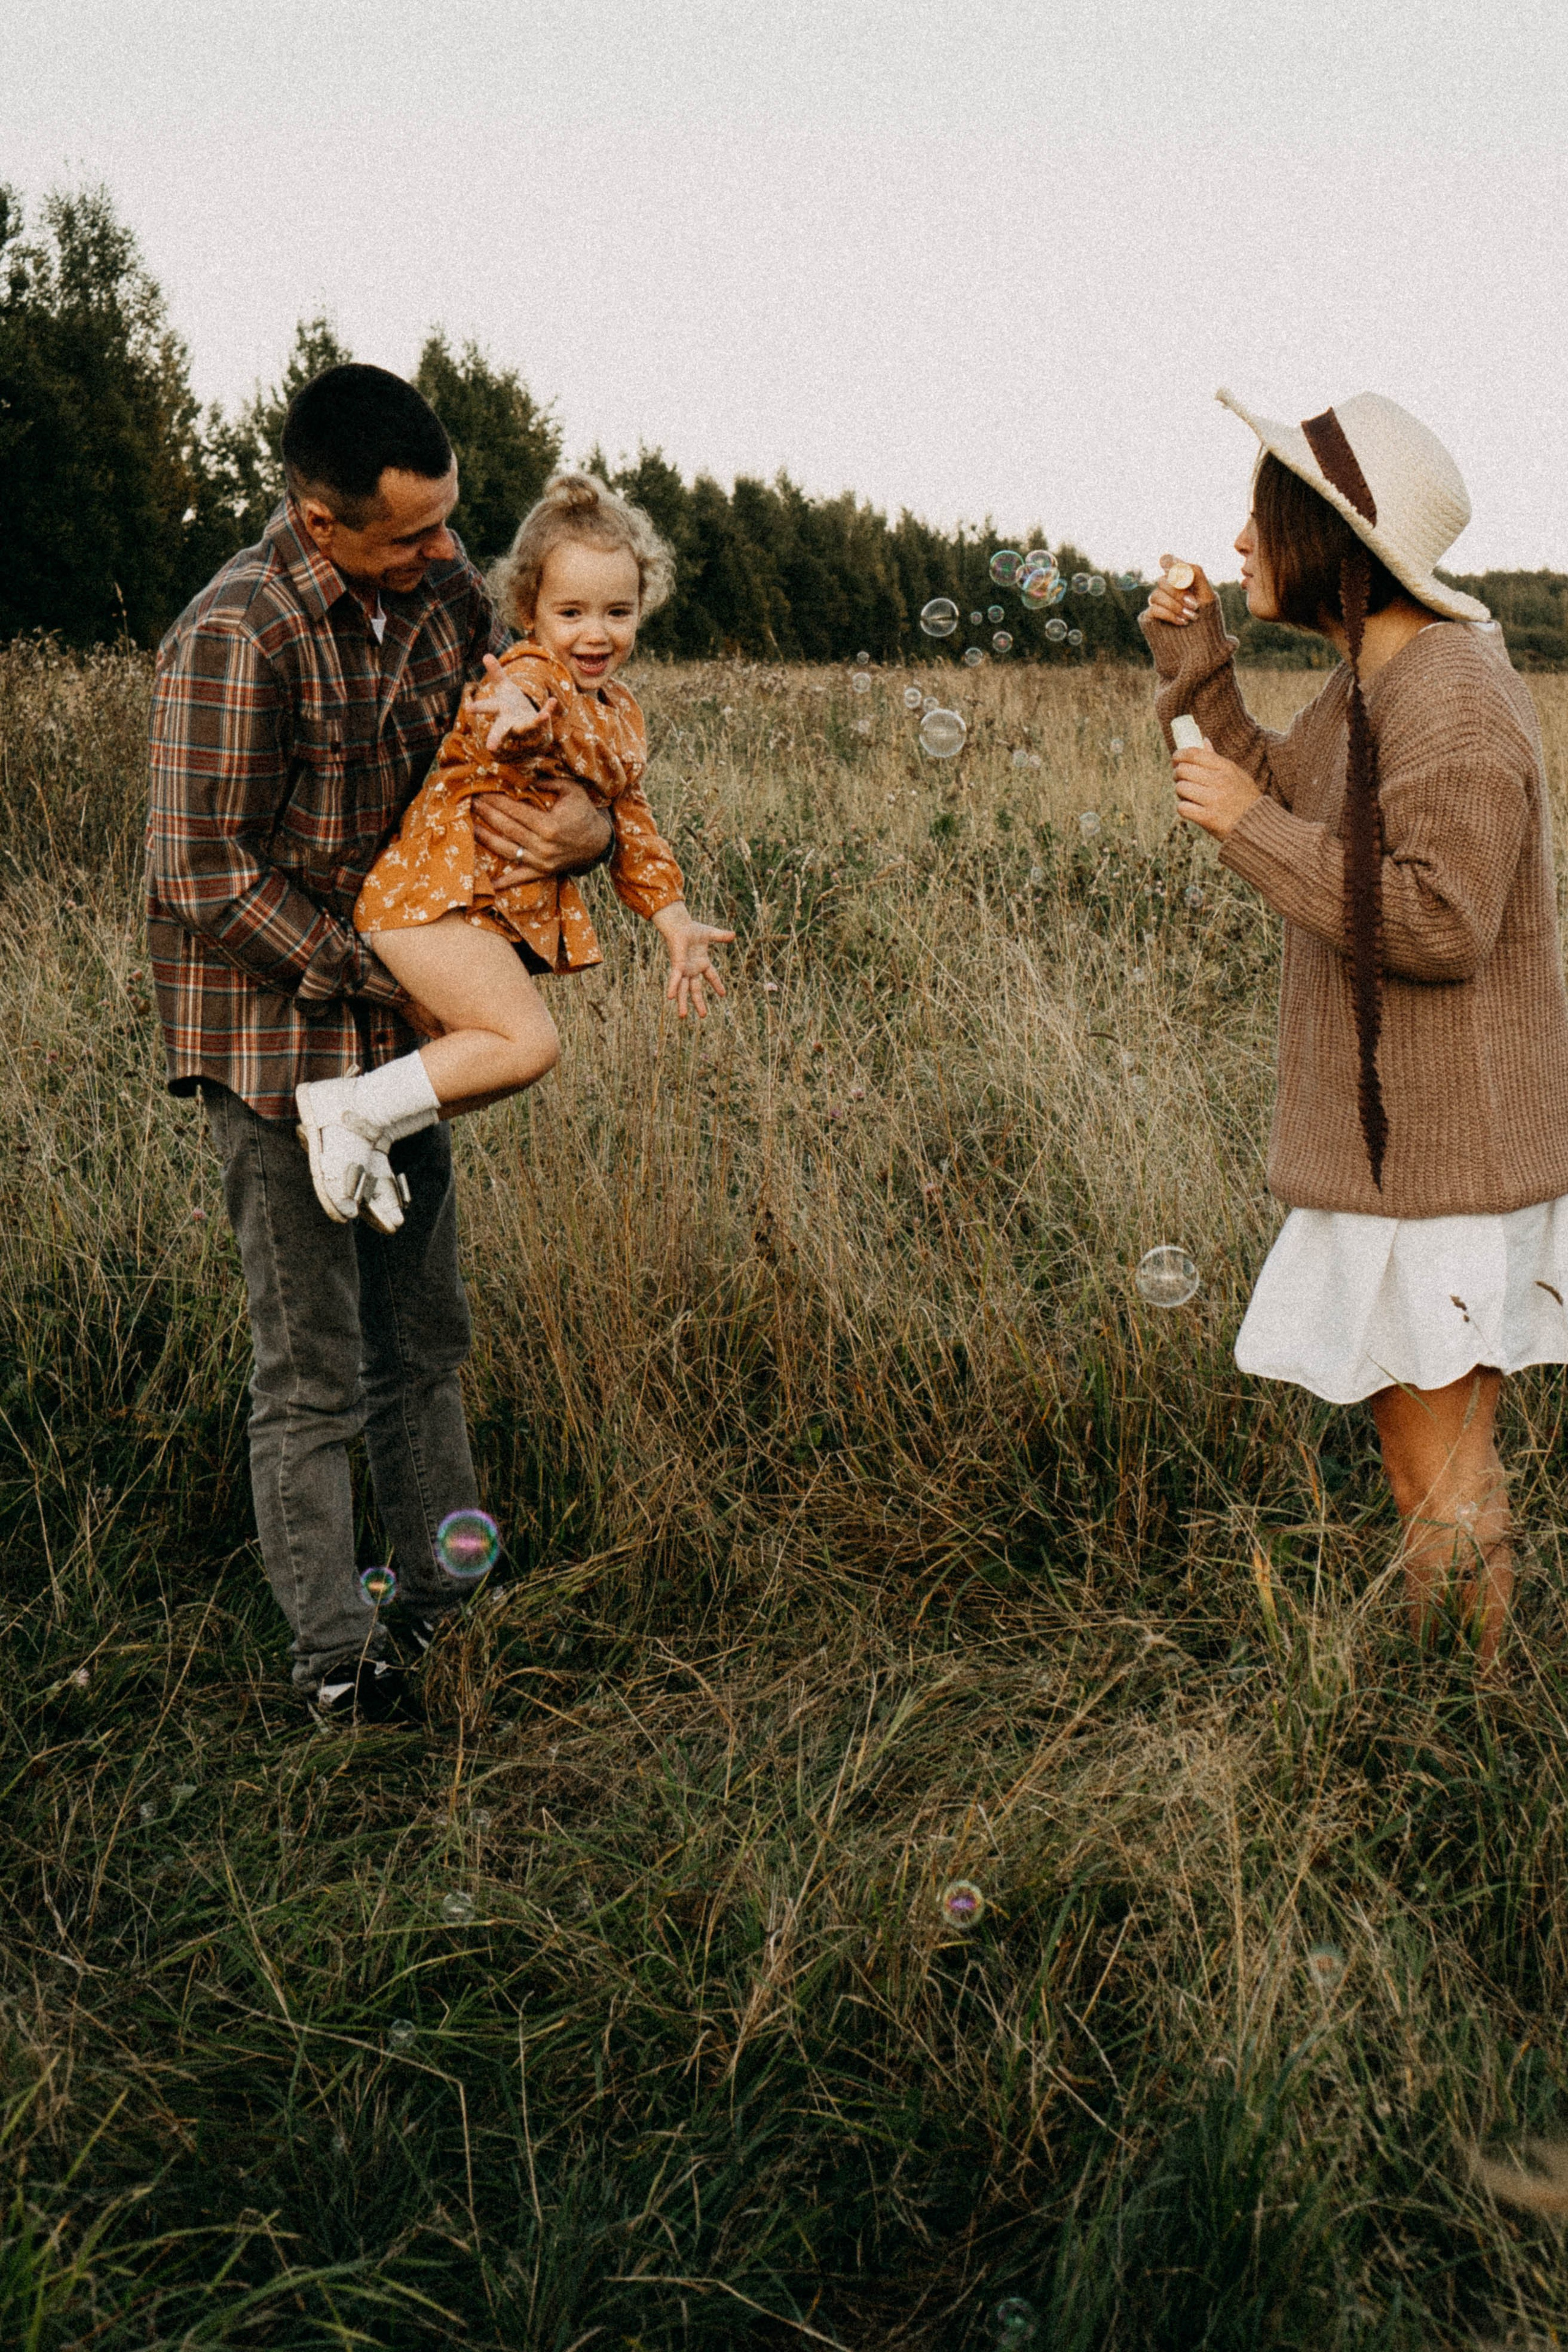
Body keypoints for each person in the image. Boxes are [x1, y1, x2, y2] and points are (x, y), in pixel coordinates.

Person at [147, 363, 616, 1725]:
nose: (445, 553)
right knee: (311, 1362)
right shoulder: (237, 632)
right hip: (275, 1044)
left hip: (406, 1038)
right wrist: (381, 975)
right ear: (317, 512)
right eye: (409, 534)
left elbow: (542, 744)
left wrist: (583, 826)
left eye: (450, 521)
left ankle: (441, 1596)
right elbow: (199, 869)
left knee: (423, 1330)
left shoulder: (455, 596)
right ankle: (337, 1660)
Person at [1147, 389, 1568, 1667]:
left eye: (1257, 519)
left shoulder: (1450, 700)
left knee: (1432, 1477)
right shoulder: (1373, 682)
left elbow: (1440, 921)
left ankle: (1468, 1727)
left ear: (1330, 540)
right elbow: (1282, 796)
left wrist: (1246, 826)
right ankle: (1472, 1707)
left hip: (1441, 1167)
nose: (1234, 541)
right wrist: (1194, 668)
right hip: (1413, 1158)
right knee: (1434, 1467)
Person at [292, 472, 733, 1219]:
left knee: (495, 1067)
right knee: (528, 1043)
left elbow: (634, 825)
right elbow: (508, 695)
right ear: (529, 612)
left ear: (642, 609)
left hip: (468, 916)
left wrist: (675, 923)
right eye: (571, 612)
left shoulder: (620, 713)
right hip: (424, 904)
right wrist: (515, 719)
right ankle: (346, 1110)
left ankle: (364, 1130)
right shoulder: (533, 673)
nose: (596, 633)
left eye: (617, 612)